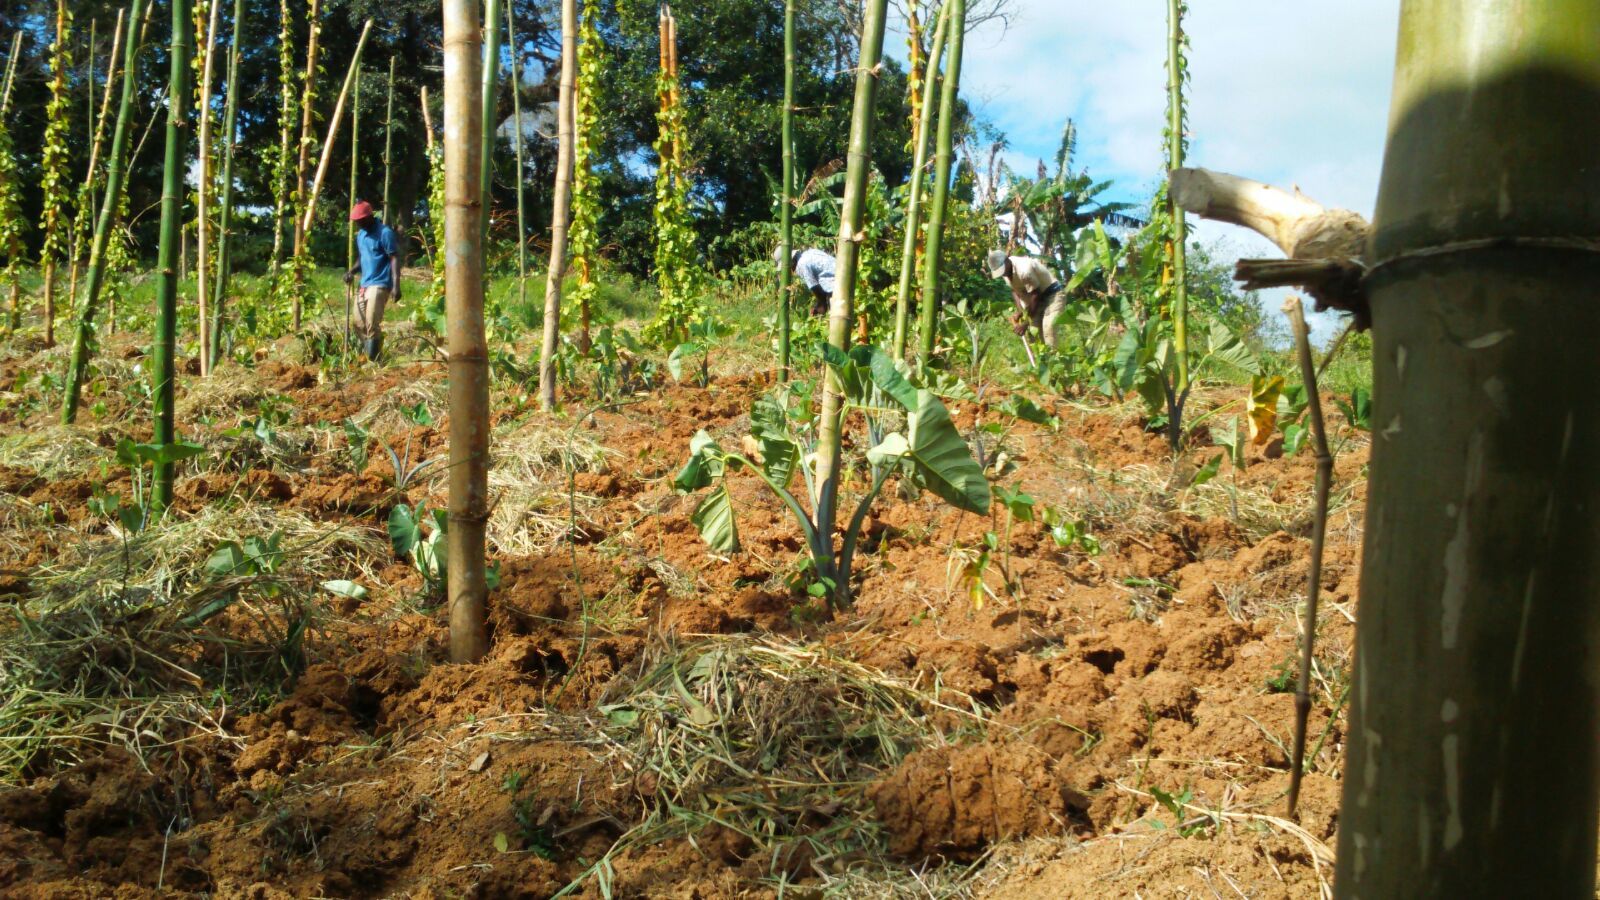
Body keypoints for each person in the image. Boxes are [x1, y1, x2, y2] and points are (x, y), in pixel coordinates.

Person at [343, 201, 401, 361]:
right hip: (365, 283)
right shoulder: (361, 235)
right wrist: (351, 271)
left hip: (380, 283)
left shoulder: (385, 233)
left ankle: (373, 363)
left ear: (369, 217)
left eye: (360, 220)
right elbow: (362, 257)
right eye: (356, 221)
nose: (358, 224)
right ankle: (374, 356)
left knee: (371, 323)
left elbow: (394, 258)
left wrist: (396, 285)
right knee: (358, 323)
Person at [987, 250, 1065, 349]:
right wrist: (1020, 311)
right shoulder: (1006, 273)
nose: (1002, 274)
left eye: (1002, 270)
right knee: (1034, 333)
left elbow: (1035, 295)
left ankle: (1053, 358)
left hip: (1053, 294)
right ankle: (1040, 358)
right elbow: (1014, 290)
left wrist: (1026, 322)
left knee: (1048, 329)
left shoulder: (1024, 269)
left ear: (1006, 260)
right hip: (1036, 300)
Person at [775, 246, 836, 316]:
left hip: (834, 282)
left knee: (835, 313)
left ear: (791, 261)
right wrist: (819, 303)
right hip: (840, 273)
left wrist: (821, 304)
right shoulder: (809, 253)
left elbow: (815, 287)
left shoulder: (802, 265)